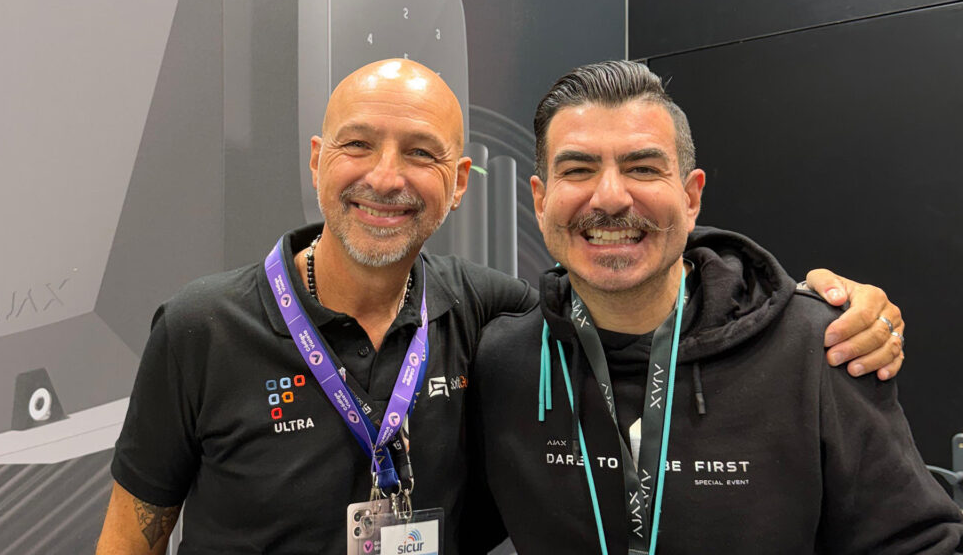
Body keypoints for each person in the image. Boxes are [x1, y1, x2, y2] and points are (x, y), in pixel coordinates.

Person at [95, 59, 906, 555]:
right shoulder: (201, 327)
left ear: (457, 183)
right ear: (317, 161)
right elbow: (132, 535)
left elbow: (629, 283)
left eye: (421, 153)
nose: (386, 177)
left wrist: (825, 305)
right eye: (357, 144)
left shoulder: (490, 317)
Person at [469, 60, 962, 554]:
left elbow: (915, 543)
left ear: (690, 198)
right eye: (578, 170)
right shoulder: (502, 361)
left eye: (642, 168)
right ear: (540, 202)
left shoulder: (821, 347)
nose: (611, 197)